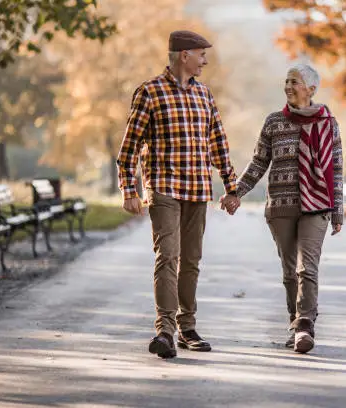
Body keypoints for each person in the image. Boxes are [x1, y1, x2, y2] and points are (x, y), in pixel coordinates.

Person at [117, 30, 241, 359]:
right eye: (201, 54)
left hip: (198, 188)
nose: (205, 60)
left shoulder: (204, 95)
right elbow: (128, 148)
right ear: (184, 55)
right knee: (167, 256)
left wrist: (231, 186)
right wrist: (129, 189)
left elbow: (218, 144)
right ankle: (165, 331)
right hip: (163, 187)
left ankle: (187, 327)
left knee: (191, 261)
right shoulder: (149, 92)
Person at [221, 63, 343, 353]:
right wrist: (236, 192)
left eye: (295, 81)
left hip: (318, 205)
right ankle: (294, 321)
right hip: (281, 205)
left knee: (306, 268)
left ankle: (305, 325)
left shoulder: (328, 123)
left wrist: (338, 210)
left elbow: (336, 168)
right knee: (290, 271)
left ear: (311, 89)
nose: (288, 86)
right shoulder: (274, 122)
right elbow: (259, 162)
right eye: (286, 81)